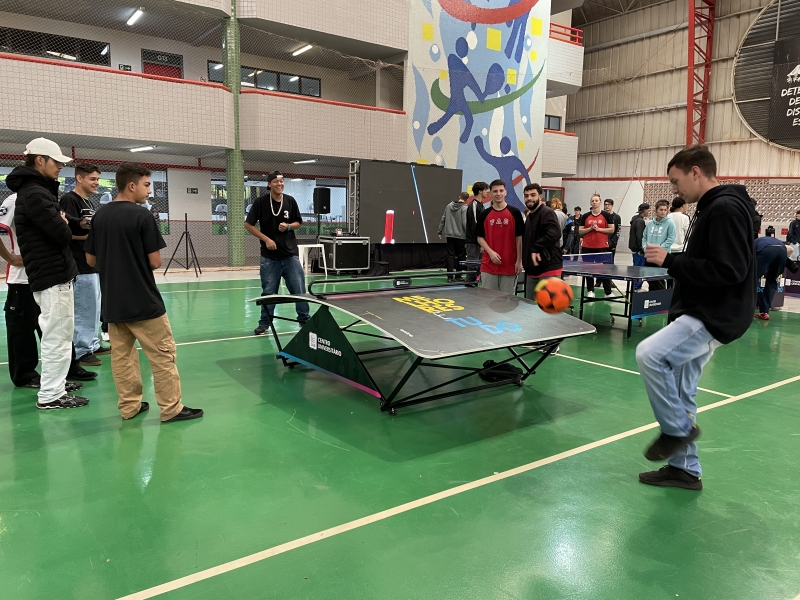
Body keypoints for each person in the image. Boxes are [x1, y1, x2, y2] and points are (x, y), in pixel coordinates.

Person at [637, 145, 757, 491]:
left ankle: (676, 430)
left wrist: (671, 261)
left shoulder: (724, 209)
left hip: (712, 314)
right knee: (681, 388)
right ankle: (685, 469)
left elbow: (730, 270)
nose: (674, 189)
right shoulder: (712, 207)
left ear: (695, 172)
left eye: (676, 181)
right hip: (702, 309)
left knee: (650, 354)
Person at [85, 163, 202, 422]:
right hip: (143, 300)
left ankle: (129, 407)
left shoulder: (100, 216)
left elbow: (91, 260)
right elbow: (156, 261)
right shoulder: (142, 216)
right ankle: (171, 409)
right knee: (162, 355)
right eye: (147, 185)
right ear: (131, 185)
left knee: (122, 357)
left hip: (113, 302)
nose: (149, 191)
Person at [8, 138, 90, 409]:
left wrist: (67, 221)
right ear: (40, 160)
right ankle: (51, 395)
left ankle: (55, 385)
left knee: (59, 334)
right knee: (57, 336)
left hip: (52, 273)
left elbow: (57, 224)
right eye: (56, 162)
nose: (60, 167)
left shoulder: (37, 192)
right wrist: (64, 224)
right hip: (52, 274)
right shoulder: (35, 194)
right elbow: (61, 234)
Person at [245, 171, 310, 335]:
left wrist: (288, 226)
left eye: (281, 181)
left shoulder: (290, 200)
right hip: (269, 258)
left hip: (290, 255)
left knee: (299, 290)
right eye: (275, 181)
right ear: (269, 184)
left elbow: (298, 223)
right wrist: (266, 239)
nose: (279, 184)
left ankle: (304, 320)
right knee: (268, 292)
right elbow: (248, 224)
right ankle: (264, 323)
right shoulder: (260, 202)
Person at [60, 163, 109, 367]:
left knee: (94, 307)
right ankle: (81, 350)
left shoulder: (87, 201)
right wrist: (92, 238)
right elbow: (66, 233)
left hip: (92, 264)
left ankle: (92, 343)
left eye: (97, 179)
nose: (96, 183)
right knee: (83, 308)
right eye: (92, 179)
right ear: (79, 178)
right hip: (79, 264)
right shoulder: (69, 200)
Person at [476, 179, 525, 294]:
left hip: (509, 265)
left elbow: (519, 238)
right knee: (488, 300)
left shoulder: (515, 213)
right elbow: (479, 237)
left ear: (505, 192)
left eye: (501, 191)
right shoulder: (484, 214)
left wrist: (519, 261)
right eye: (495, 191)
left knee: (507, 301)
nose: (498, 194)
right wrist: (491, 252)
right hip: (489, 265)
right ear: (490, 193)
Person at [521, 184, 563, 298]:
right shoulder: (530, 216)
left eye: (533, 195)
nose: (529, 198)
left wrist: (536, 247)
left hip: (548, 267)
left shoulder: (546, 212)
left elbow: (555, 233)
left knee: (546, 306)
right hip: (533, 269)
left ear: (540, 196)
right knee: (529, 305)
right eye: (526, 196)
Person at [578, 194, 615, 297]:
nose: (594, 202)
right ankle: (590, 291)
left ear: (600, 202)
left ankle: (608, 292)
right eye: (592, 201)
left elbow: (612, 229)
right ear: (591, 203)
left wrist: (599, 229)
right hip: (587, 247)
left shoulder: (606, 215)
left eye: (596, 200)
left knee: (604, 270)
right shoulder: (585, 216)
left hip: (602, 247)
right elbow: (580, 231)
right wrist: (590, 228)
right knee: (588, 270)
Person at [754, 227, 789, 320]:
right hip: (783, 250)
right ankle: (764, 312)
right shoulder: (774, 241)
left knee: (752, 280)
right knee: (772, 281)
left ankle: (746, 310)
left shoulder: (754, 243)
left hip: (766, 250)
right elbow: (790, 250)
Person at [642, 200, 676, 290]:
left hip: (662, 256)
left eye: (665, 210)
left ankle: (661, 297)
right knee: (650, 280)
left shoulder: (670, 223)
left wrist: (659, 249)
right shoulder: (650, 224)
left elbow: (671, 239)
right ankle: (651, 295)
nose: (663, 212)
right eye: (661, 210)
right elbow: (644, 237)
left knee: (660, 281)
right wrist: (645, 248)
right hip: (650, 256)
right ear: (656, 210)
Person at [437, 192, 469, 281]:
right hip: (461, 236)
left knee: (450, 255)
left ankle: (449, 277)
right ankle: (458, 276)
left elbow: (443, 218)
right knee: (461, 256)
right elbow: (465, 222)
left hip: (449, 235)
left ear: (459, 197)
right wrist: (469, 234)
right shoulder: (465, 208)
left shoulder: (449, 206)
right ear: (467, 199)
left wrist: (440, 231)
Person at [464, 181, 488, 283]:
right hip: (473, 242)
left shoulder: (481, 205)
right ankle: (469, 284)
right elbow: (475, 224)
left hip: (479, 242)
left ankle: (475, 283)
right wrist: (480, 241)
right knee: (472, 265)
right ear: (480, 191)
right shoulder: (473, 205)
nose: (487, 192)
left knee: (480, 265)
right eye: (485, 190)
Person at [602, 198, 622, 295]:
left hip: (611, 244)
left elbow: (618, 230)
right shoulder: (601, 215)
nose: (607, 206)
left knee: (609, 264)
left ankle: (609, 281)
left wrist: (613, 242)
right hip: (601, 244)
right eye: (605, 204)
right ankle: (599, 280)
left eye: (609, 205)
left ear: (612, 206)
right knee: (600, 263)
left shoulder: (617, 217)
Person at [628, 203, 650, 291]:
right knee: (640, 268)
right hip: (638, 249)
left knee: (636, 268)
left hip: (634, 248)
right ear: (644, 210)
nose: (648, 212)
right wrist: (642, 248)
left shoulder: (635, 219)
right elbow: (639, 235)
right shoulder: (640, 221)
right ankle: (636, 287)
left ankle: (635, 286)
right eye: (648, 210)